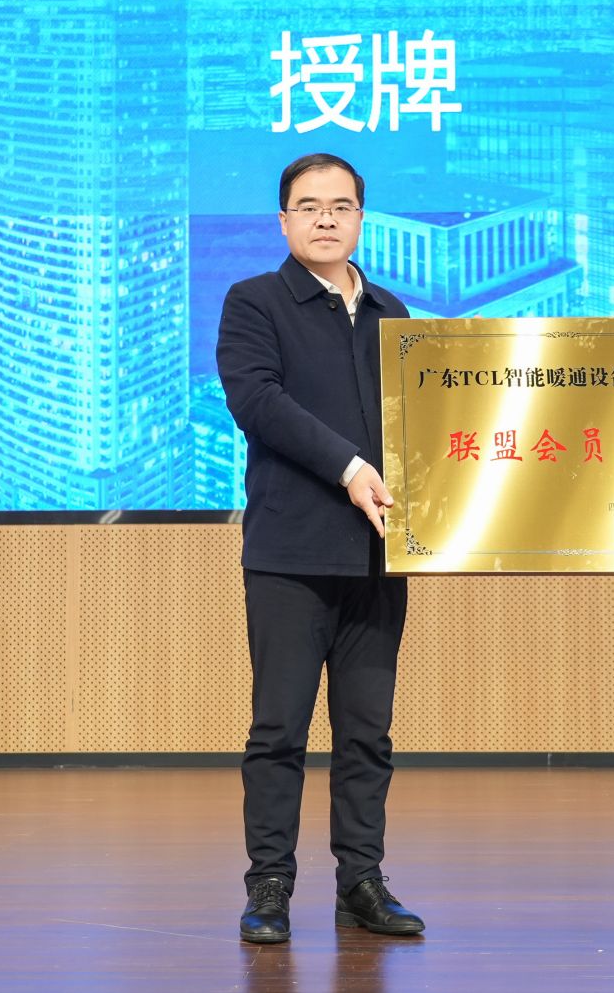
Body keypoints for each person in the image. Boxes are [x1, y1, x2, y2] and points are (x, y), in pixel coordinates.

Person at [216, 152, 425, 946]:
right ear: (284, 221)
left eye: (341, 205)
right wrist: (349, 467)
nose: (326, 218)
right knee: (279, 731)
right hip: (290, 556)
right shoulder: (254, 302)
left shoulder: (392, 311)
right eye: (309, 206)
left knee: (368, 733)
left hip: (377, 557)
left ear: (362, 218)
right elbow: (258, 401)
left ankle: (361, 882)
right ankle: (269, 885)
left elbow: (426, 422)